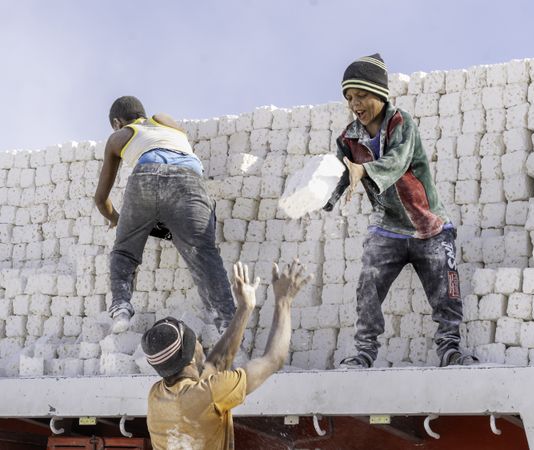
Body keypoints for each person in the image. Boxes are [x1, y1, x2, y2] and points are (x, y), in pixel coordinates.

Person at [324, 54, 477, 368]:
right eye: (350, 98)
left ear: (380, 94)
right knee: (368, 284)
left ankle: (450, 350)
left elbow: (396, 162)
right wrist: (319, 197)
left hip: (430, 227)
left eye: (361, 95)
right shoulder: (347, 139)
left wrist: (363, 172)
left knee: (446, 291)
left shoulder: (401, 123)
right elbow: (341, 175)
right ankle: (364, 354)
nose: (355, 103)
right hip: (388, 229)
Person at [94, 96, 234, 333]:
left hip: (145, 179)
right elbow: (181, 140)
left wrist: (118, 220)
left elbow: (100, 199)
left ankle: (121, 308)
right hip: (188, 181)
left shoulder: (119, 136)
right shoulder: (163, 119)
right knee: (204, 253)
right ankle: (227, 321)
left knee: (124, 251)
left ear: (117, 122)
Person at [142, 260, 312, 449]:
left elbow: (216, 364)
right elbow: (274, 359)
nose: (200, 344)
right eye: (196, 341)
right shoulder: (208, 394)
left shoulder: (157, 396)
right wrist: (284, 301)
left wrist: (244, 308)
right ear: (189, 358)